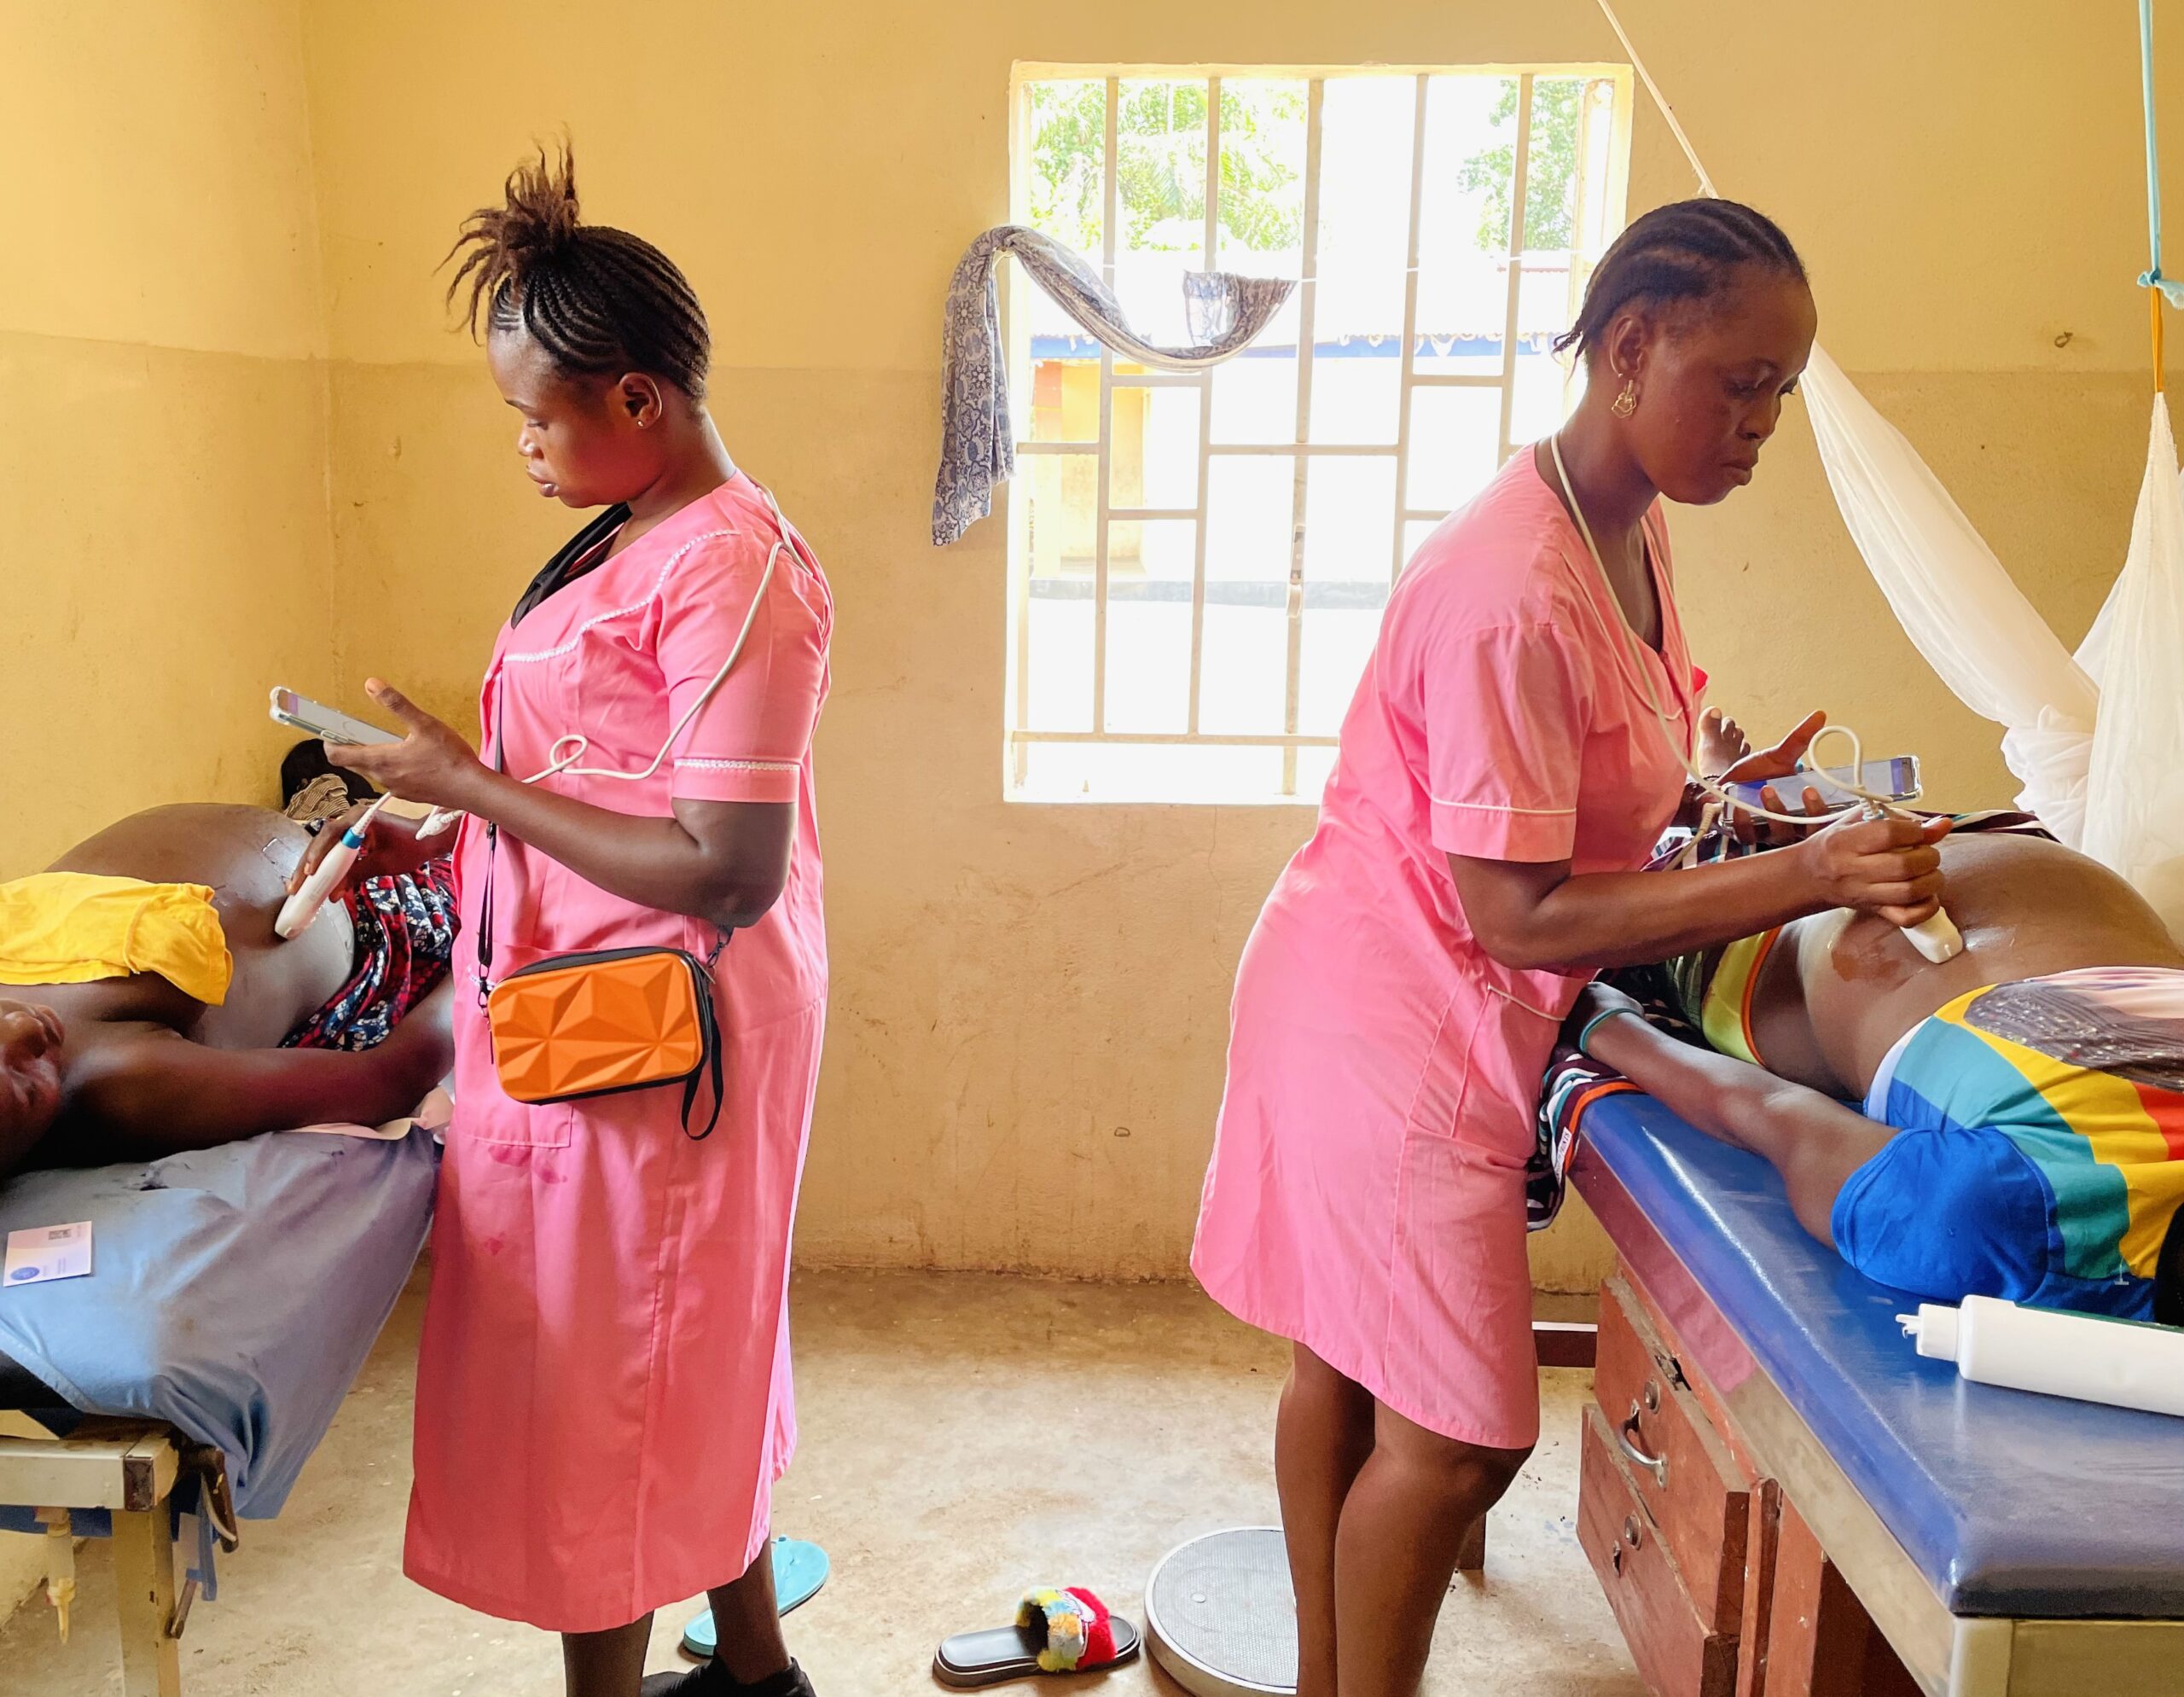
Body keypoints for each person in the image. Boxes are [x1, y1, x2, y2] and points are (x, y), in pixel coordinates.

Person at [1189, 199, 1954, 1697]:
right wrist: (1804, 873)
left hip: (1391, 983)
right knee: (1460, 1431)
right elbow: (1515, 910)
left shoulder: (1629, 520)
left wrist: (1714, 784)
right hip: (1389, 1019)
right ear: (1627, 349)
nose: (1761, 424)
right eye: (1736, 382)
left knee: (1346, 1363)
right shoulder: (1512, 586)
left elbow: (1586, 762)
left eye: (1782, 391)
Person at [295, 147, 831, 1697]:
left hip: (660, 1029)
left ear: (640, 400)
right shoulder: (639, 534)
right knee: (680, 1345)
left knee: (619, 1368)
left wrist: (477, 778)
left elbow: (725, 863)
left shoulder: (731, 568)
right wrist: (450, 801)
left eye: (539, 415)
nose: (523, 445)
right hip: (591, 1004)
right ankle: (755, 1672)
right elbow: (608, 763)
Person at [1565, 824, 2184, 1322]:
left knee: (1698, 844)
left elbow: (1777, 1115)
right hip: (1846, 940)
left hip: (2031, 854)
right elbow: (1772, 1112)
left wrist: (1598, 1016)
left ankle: (1761, 820)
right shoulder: (2016, 1219)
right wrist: (1608, 1024)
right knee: (1659, 872)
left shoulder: (2017, 1214)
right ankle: (1754, 821)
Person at [0, 802, 455, 1180]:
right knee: (504, 864)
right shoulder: (123, 1085)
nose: (23, 1027)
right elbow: (389, 1080)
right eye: (27, 1089)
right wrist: (479, 972)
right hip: (368, 905)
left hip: (330, 844)